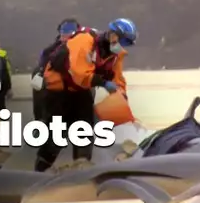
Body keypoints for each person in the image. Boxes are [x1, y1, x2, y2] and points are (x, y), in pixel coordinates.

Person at [34, 18, 137, 172]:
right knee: (56, 135)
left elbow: (117, 78)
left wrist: (121, 95)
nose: (123, 45)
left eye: (127, 43)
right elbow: (79, 73)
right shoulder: (84, 40)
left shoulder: (116, 54)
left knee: (85, 128)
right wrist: (103, 83)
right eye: (123, 40)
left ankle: (81, 165)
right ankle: (40, 170)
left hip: (81, 90)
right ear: (112, 34)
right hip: (56, 89)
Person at [31, 18, 81, 121]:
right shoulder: (52, 51)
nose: (65, 36)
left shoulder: (81, 47)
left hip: (75, 94)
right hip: (56, 95)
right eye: (63, 33)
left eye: (68, 33)